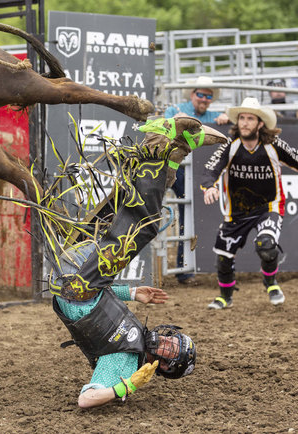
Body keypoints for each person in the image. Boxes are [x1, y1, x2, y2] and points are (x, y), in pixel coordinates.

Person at [47, 116, 227, 408]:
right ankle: (173, 152)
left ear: (162, 367)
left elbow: (86, 399)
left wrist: (129, 384)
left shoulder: (127, 361)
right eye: (172, 340)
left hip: (78, 284)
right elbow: (99, 307)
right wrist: (131, 293)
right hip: (79, 280)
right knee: (121, 213)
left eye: (170, 351)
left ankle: (160, 145)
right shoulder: (135, 337)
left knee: (143, 226)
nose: (165, 342)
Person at [202, 97, 298, 309]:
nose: (244, 123)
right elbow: (211, 168)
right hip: (236, 212)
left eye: (250, 119)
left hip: (268, 207)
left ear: (260, 123)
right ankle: (225, 297)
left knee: (266, 245)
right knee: (224, 258)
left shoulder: (274, 146)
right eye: (241, 118)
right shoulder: (231, 146)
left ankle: (271, 282)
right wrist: (209, 186)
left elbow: (296, 159)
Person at [164, 76, 230, 285]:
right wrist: (175, 120)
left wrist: (226, 119)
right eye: (200, 94)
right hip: (174, 167)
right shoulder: (176, 109)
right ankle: (182, 268)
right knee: (187, 206)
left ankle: (184, 269)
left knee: (189, 209)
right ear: (192, 94)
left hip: (194, 172)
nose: (204, 98)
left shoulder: (213, 115)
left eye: (208, 96)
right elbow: (163, 128)